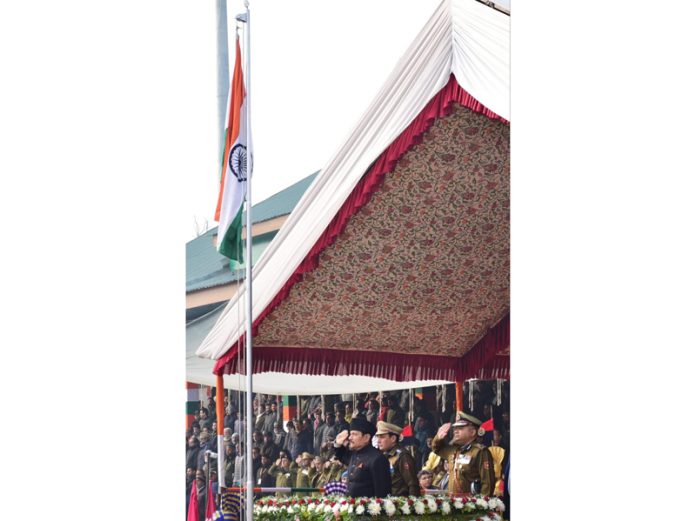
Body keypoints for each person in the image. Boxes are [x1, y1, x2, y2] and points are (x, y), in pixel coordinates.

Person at [432, 412, 495, 495]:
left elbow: (487, 482)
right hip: (453, 501)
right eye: (455, 428)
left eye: (460, 428)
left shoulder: (479, 451)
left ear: (472, 432)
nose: (455, 431)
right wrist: (438, 438)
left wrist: (482, 503)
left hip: (471, 503)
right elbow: (437, 449)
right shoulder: (453, 449)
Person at [333, 416, 391, 498]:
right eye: (350, 434)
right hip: (352, 507)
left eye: (354, 434)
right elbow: (341, 455)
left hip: (368, 508)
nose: (350, 438)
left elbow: (382, 493)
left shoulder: (377, 458)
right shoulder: (354, 454)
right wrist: (337, 443)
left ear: (366, 438)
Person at [374, 421, 420, 496]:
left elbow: (412, 484)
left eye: (382, 437)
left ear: (393, 438)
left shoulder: (403, 456)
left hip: (400, 503)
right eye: (378, 437)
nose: (378, 441)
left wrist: (413, 504)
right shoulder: (383, 455)